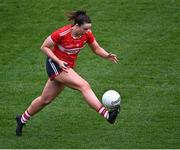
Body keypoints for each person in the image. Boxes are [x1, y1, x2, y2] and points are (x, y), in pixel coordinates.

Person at [16, 10, 120, 136]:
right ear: (77, 26)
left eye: (89, 29)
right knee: (84, 85)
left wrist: (106, 55)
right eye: (85, 28)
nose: (88, 31)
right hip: (55, 65)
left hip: (66, 67)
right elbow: (44, 47)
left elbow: (96, 48)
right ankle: (107, 115)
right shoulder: (61, 33)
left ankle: (21, 119)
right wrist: (58, 61)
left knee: (45, 100)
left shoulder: (87, 35)